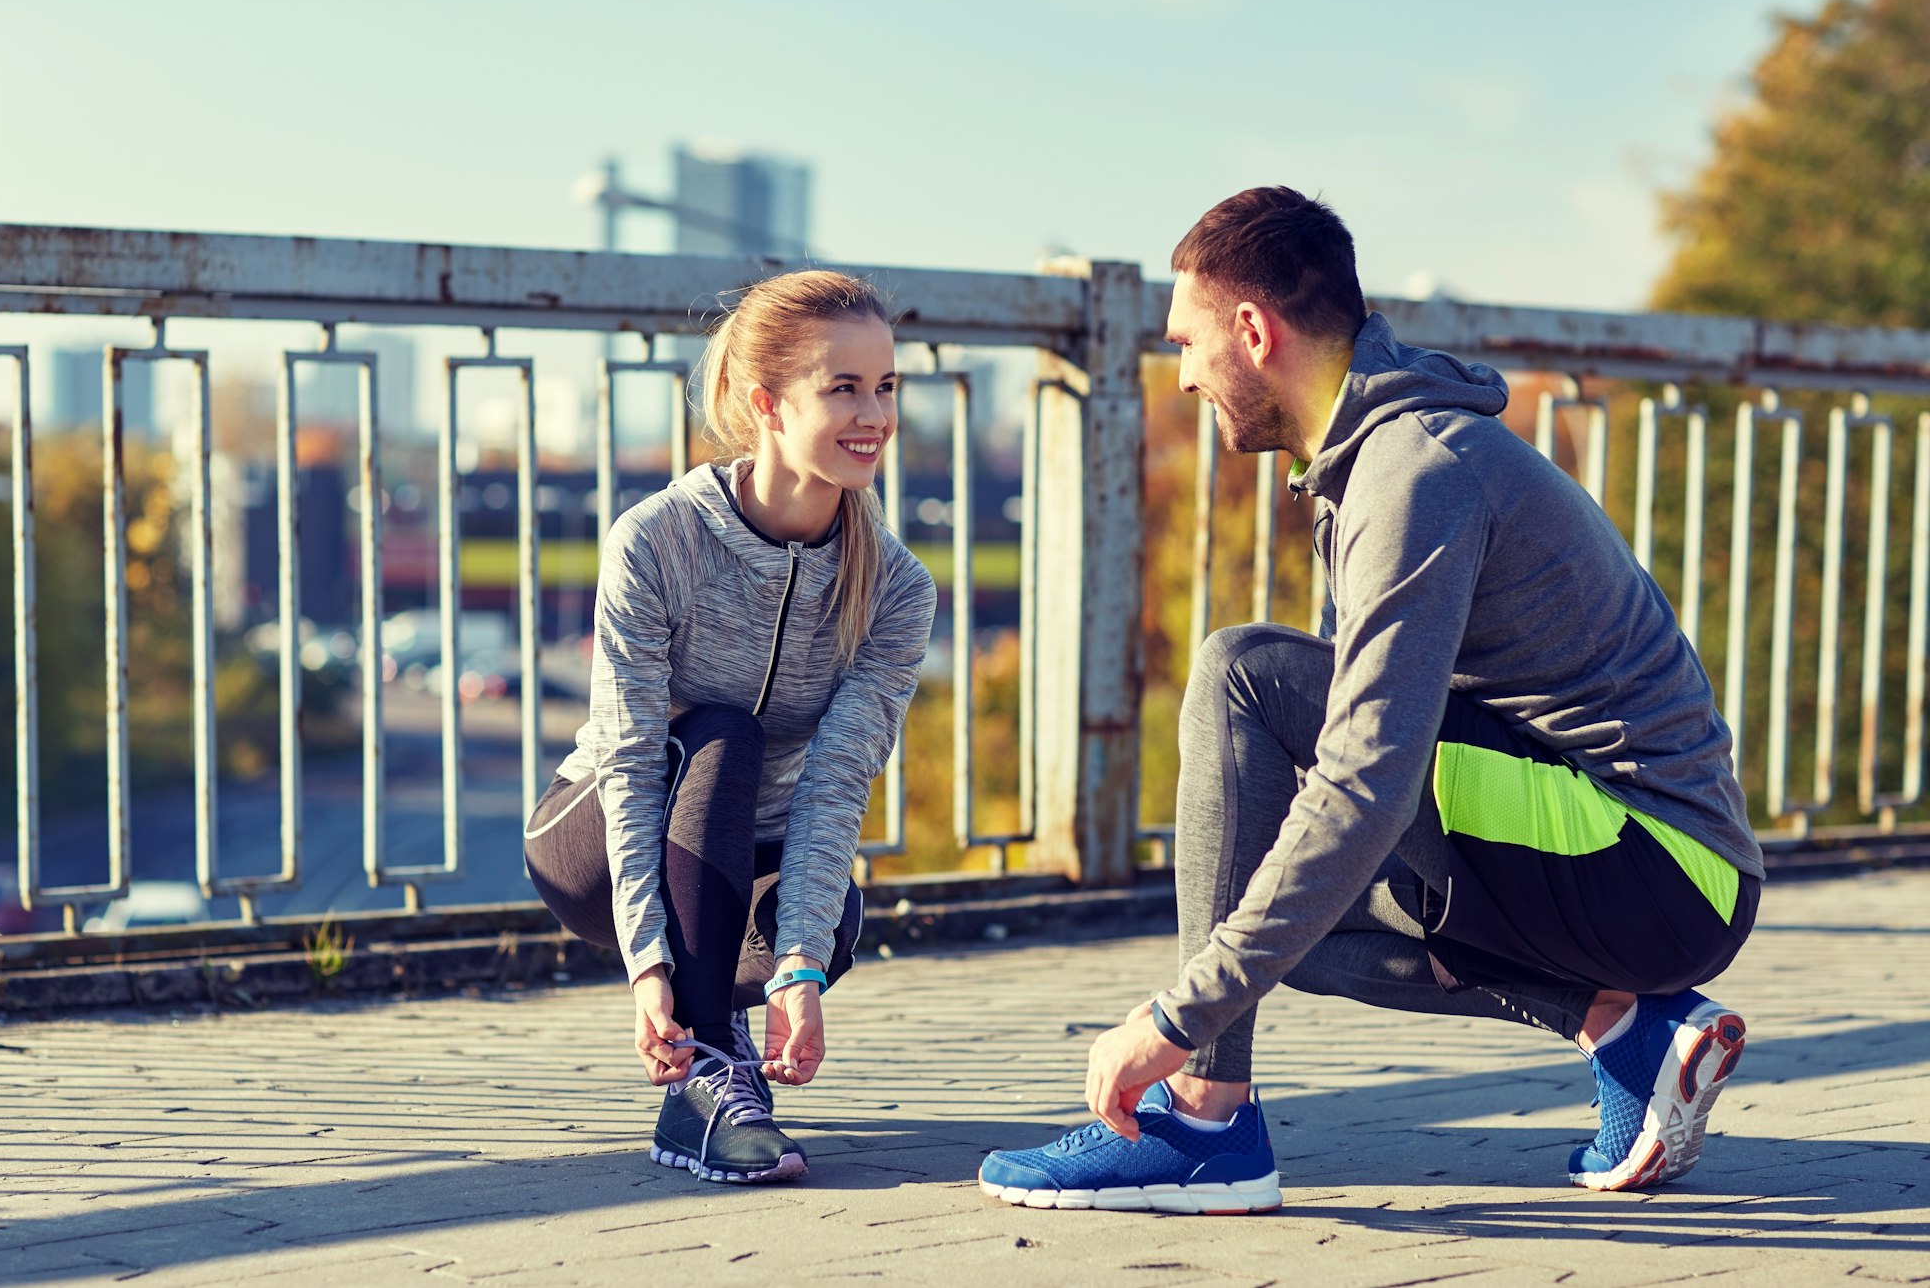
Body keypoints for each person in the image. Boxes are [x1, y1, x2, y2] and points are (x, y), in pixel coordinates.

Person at [979, 187, 1762, 1214]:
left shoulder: (1414, 469)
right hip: (1635, 872)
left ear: (1251, 331)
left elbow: (1365, 778)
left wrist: (1173, 1019)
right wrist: (1223, 966)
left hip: (1655, 860)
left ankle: (1202, 1117)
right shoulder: (1374, 461)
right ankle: (1626, 1029)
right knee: (1271, 922)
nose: (1178, 376)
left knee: (1240, 673)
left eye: (1184, 342)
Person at [525, 269, 936, 1184]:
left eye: (886, 386)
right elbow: (630, 760)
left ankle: (721, 1045)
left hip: (744, 846)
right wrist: (645, 964)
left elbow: (836, 784)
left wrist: (795, 968)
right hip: (594, 845)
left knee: (828, 927)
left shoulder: (898, 589)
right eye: (843, 387)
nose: (874, 413)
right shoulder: (657, 540)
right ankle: (706, 1075)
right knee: (722, 732)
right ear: (767, 405)